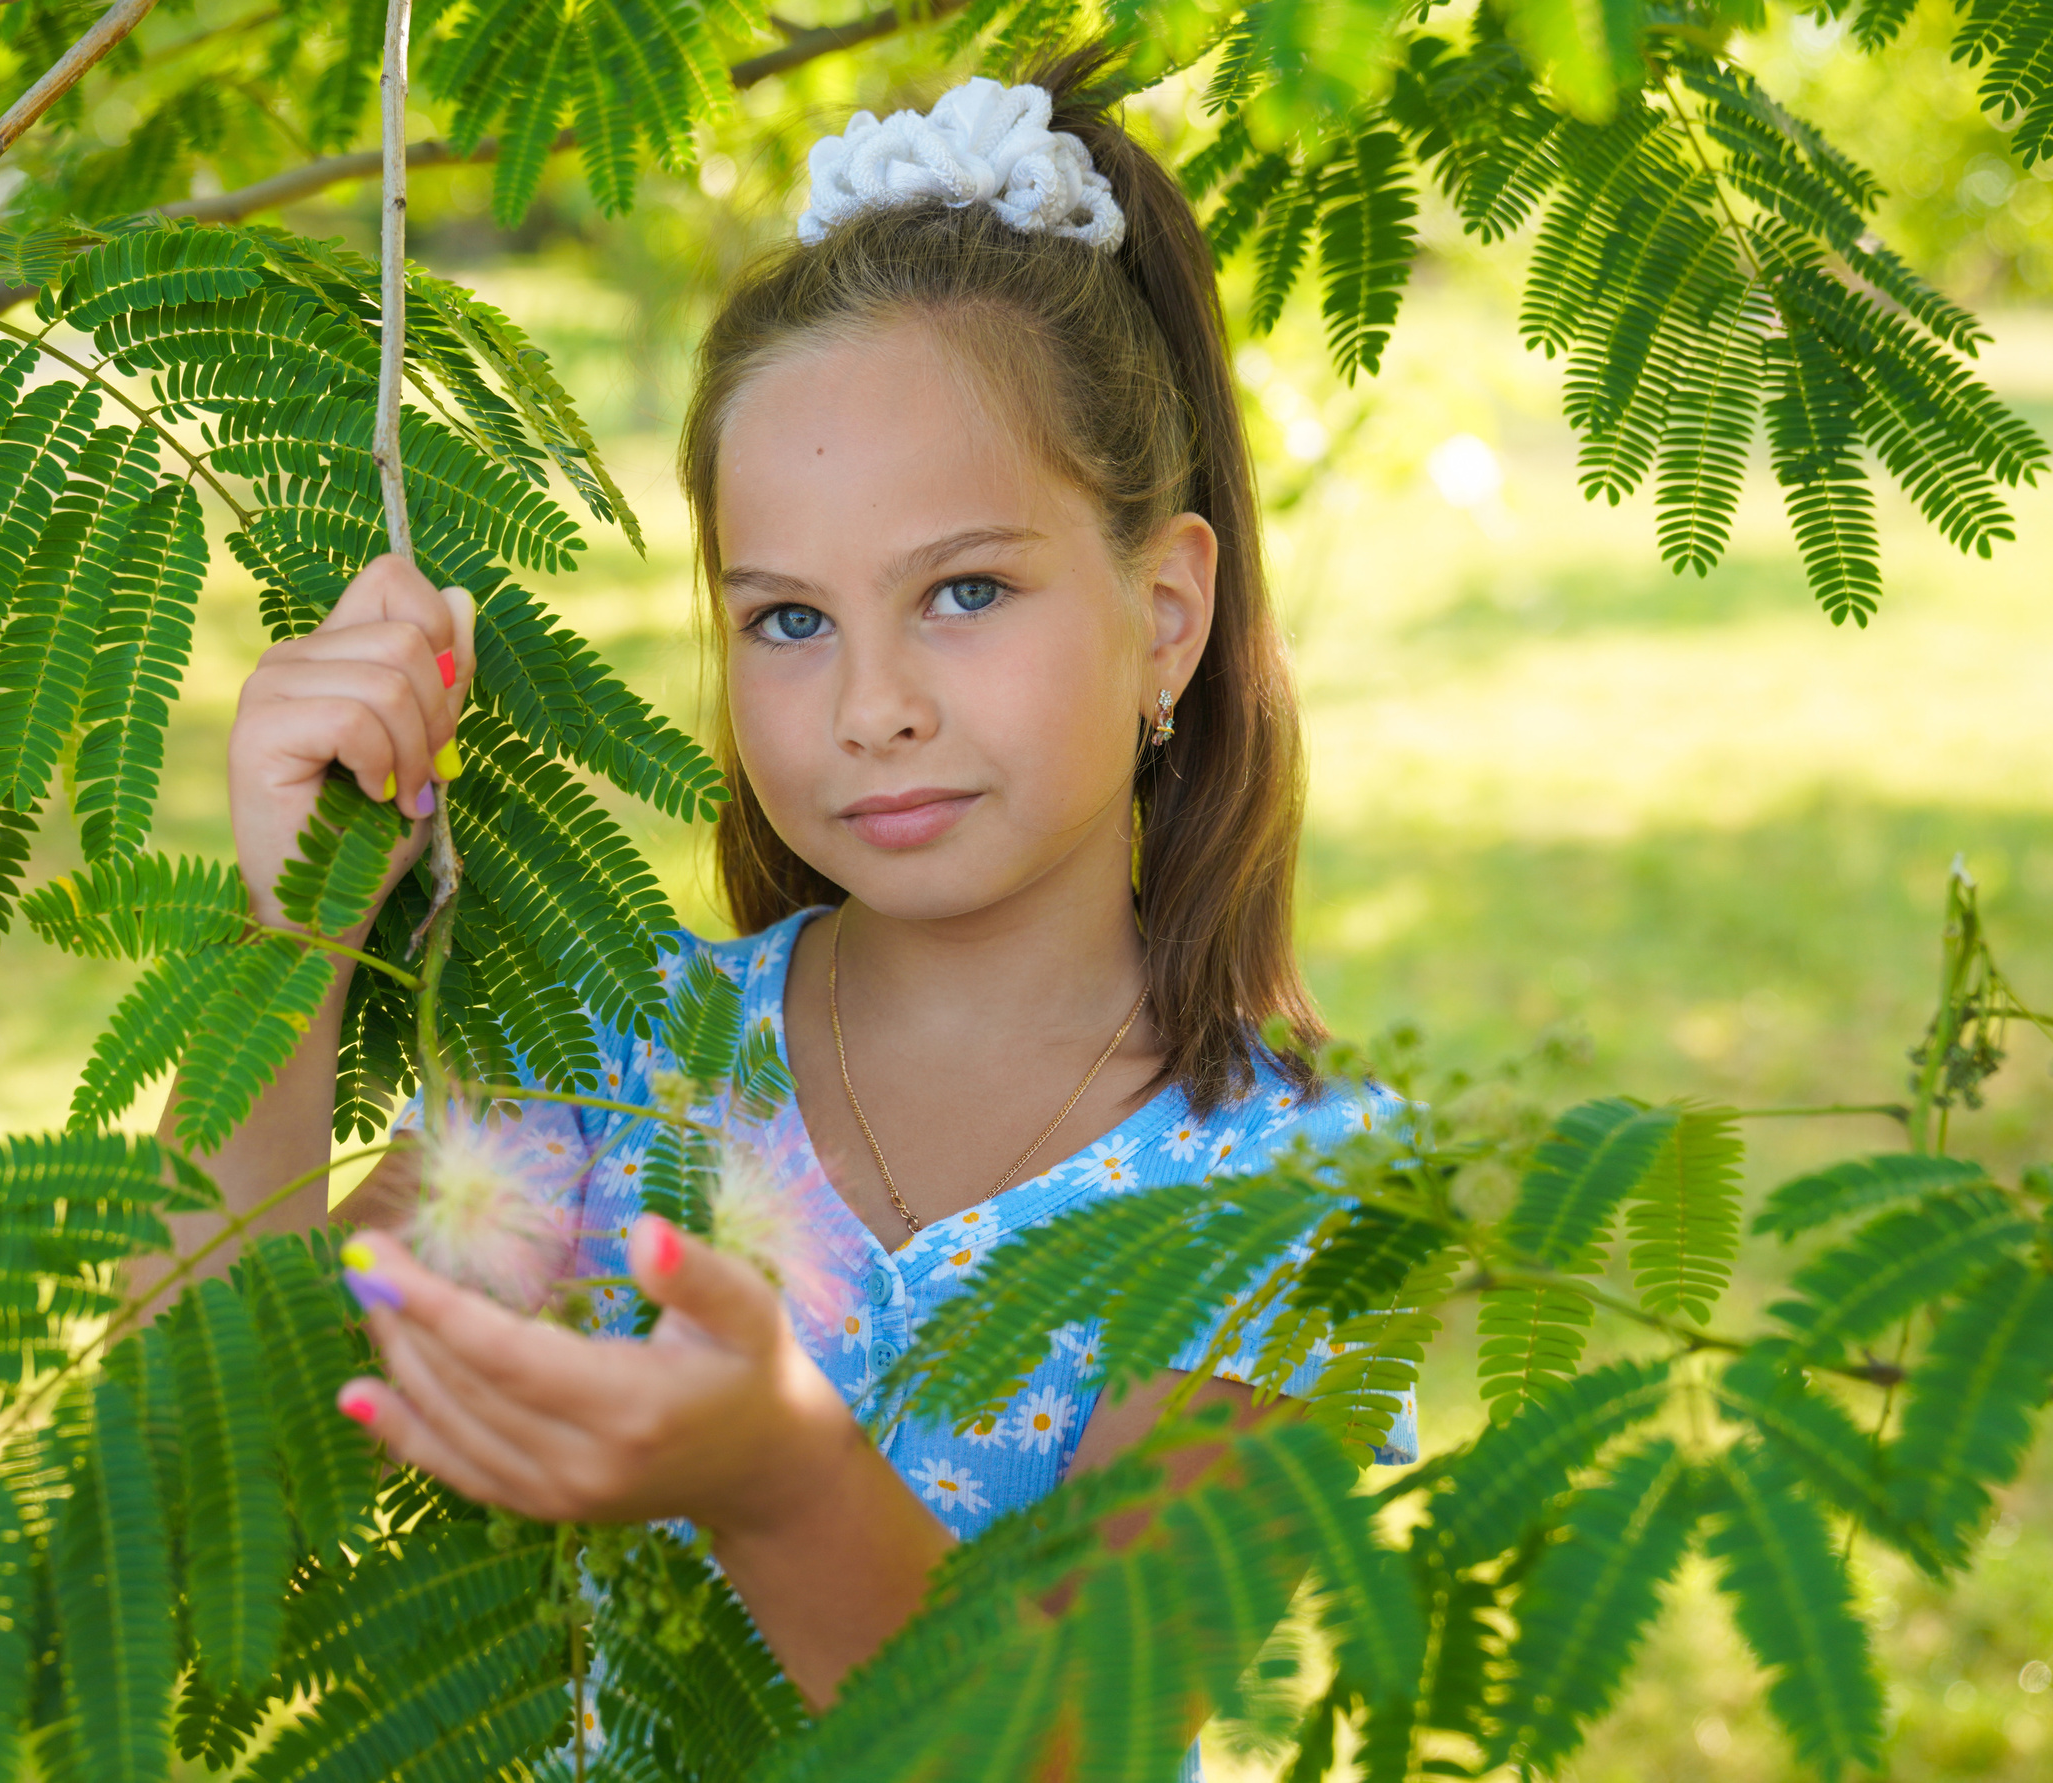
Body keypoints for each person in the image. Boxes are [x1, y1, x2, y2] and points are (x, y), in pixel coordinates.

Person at [158, 44, 1414, 1756]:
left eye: (964, 590)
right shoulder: (615, 1066)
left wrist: (773, 1483)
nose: (868, 705)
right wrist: (293, 927)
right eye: (790, 620)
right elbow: (211, 1451)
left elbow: (1060, 1740)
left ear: (1169, 611)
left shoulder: (1291, 1191)